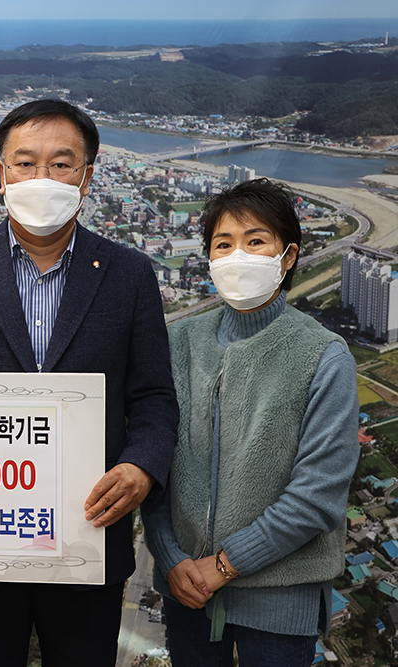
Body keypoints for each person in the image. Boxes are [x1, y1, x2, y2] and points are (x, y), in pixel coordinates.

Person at [0, 98, 179, 666]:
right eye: (25, 162)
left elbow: (153, 395)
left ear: (88, 177)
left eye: (61, 164)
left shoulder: (129, 273)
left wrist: (142, 465)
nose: (42, 178)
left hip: (90, 529)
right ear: (0, 173)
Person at [143, 178, 359, 666]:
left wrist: (224, 566)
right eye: (224, 244)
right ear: (211, 260)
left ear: (286, 258)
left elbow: (317, 495)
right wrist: (171, 558)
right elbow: (153, 461)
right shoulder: (180, 342)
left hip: (280, 599)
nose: (238, 255)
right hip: (187, 593)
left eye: (255, 241)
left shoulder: (323, 355)